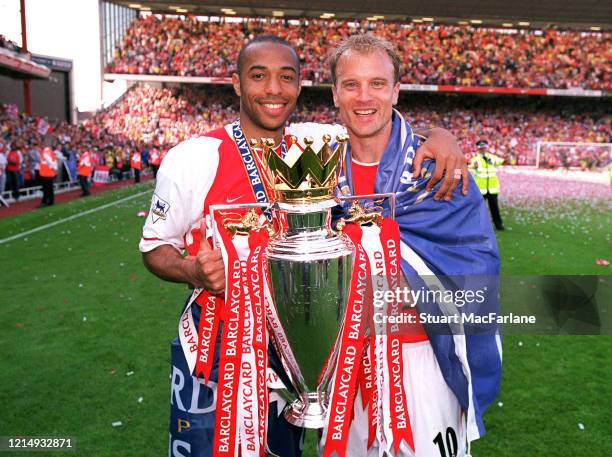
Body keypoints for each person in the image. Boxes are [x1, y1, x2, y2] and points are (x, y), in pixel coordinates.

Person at [140, 35, 468, 457]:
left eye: (287, 77)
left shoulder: (315, 143)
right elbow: (153, 247)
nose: (274, 89)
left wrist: (441, 136)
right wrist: (191, 271)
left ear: (299, 86)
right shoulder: (195, 157)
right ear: (237, 83)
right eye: (259, 76)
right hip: (218, 360)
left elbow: (376, 121)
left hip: (296, 363)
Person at [325, 34, 501, 457]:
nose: (364, 97)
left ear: (396, 91)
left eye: (377, 84)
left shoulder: (439, 173)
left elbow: (480, 267)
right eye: (351, 84)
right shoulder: (317, 172)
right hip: (345, 368)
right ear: (335, 93)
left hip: (423, 363)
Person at [469, 139, 505, 230]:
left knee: (494, 208)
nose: (483, 149)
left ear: (487, 148)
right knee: (480, 209)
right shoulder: (475, 159)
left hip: (492, 188)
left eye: (484, 147)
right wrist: (475, 165)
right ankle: (478, 225)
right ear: (478, 149)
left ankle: (498, 225)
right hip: (481, 189)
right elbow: (472, 165)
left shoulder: (492, 157)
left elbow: (501, 161)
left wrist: (503, 156)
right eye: (481, 148)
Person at [38, 143, 57, 207]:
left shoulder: (45, 152)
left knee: (46, 188)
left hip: (45, 172)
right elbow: (54, 162)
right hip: (49, 173)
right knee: (49, 188)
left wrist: (53, 168)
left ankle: (45, 201)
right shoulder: (51, 152)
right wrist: (54, 170)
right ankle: (50, 201)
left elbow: (50, 162)